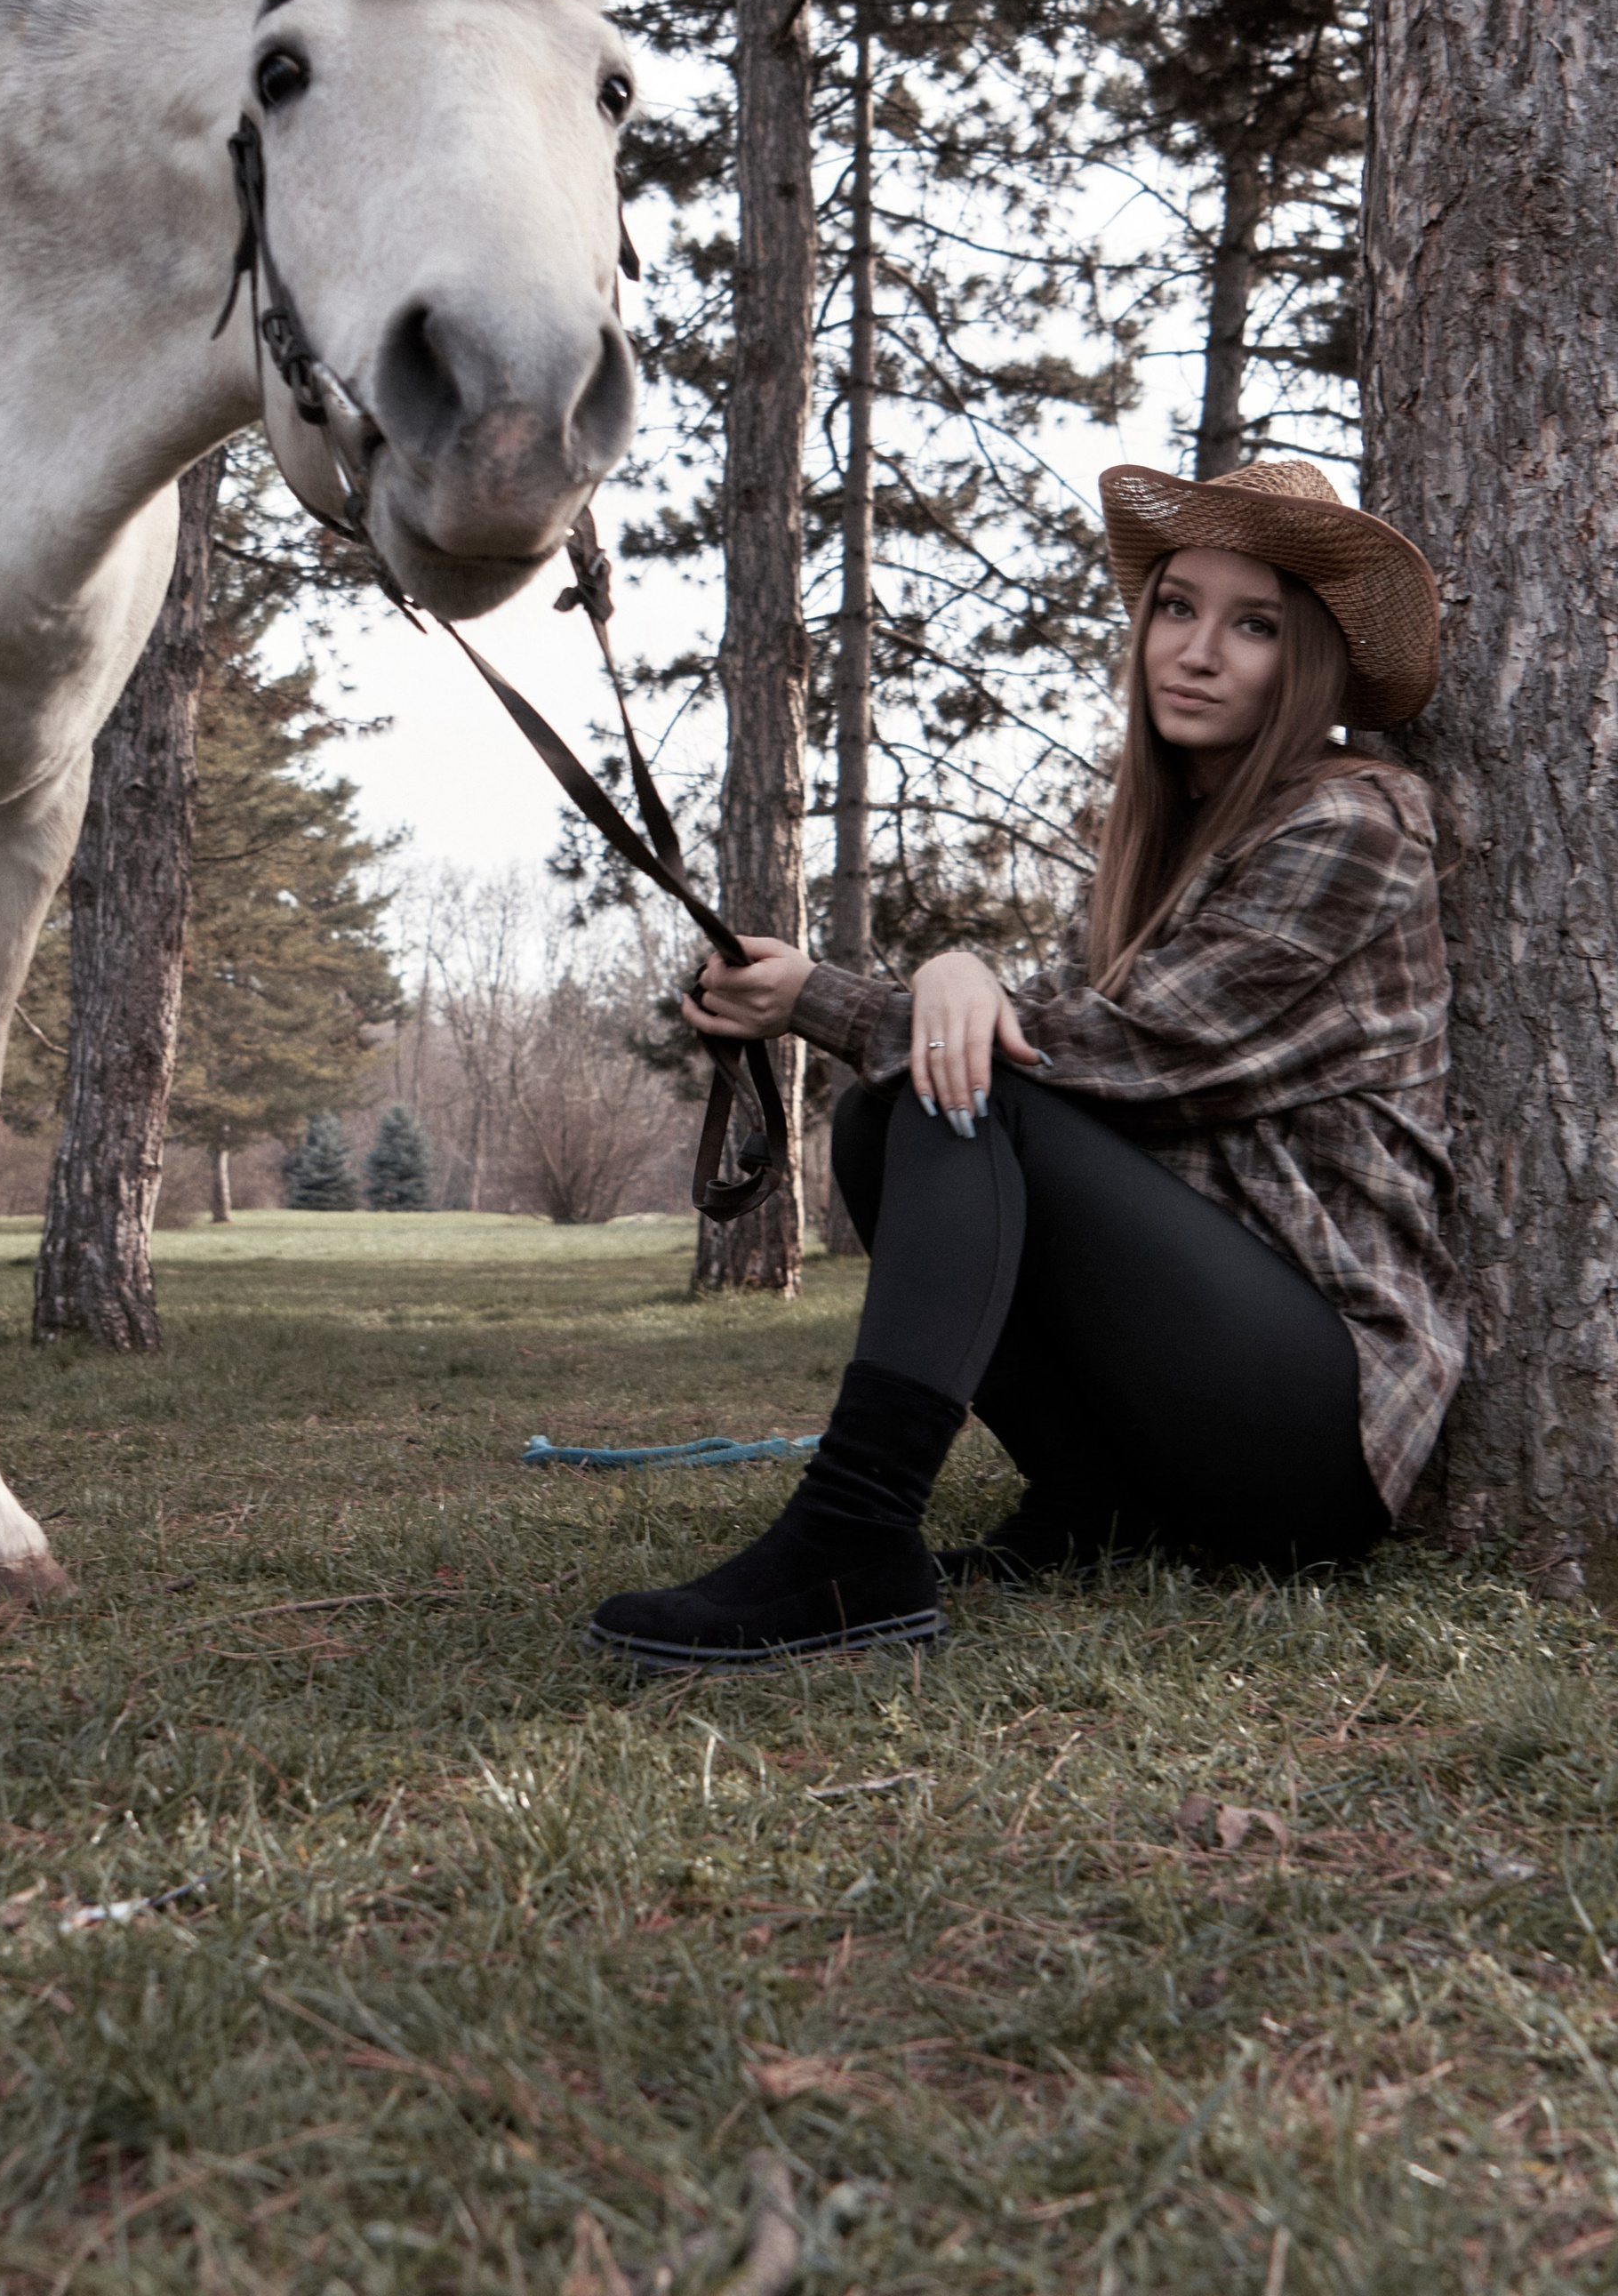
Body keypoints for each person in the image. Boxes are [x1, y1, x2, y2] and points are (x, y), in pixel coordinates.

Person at [589, 456, 1459, 1670]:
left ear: (1306, 661)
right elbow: (1071, 1055)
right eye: (1176, 606)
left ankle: (854, 1532)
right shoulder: (1183, 845)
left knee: (953, 1090)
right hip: (1205, 1397)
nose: (1197, 650)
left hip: (1322, 1425)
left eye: (1253, 624)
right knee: (884, 1120)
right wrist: (918, 988)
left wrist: (855, 994)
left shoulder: (1353, 824)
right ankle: (1092, 1506)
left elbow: (1125, 1050)